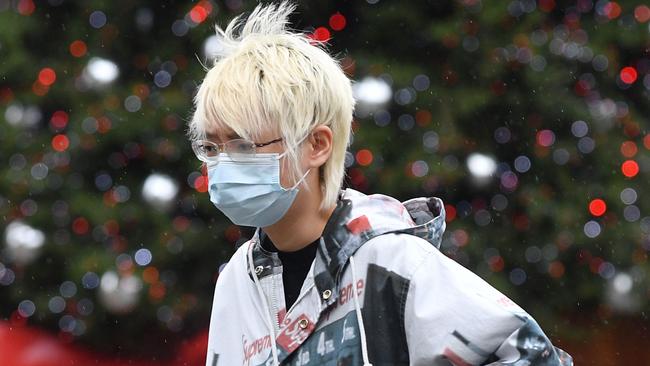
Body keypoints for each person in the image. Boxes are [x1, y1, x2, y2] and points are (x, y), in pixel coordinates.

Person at [188, 2, 573, 365]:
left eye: (242, 144)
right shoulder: (237, 282)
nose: (222, 164)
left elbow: (532, 355)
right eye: (210, 146)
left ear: (317, 145)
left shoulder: (391, 264)